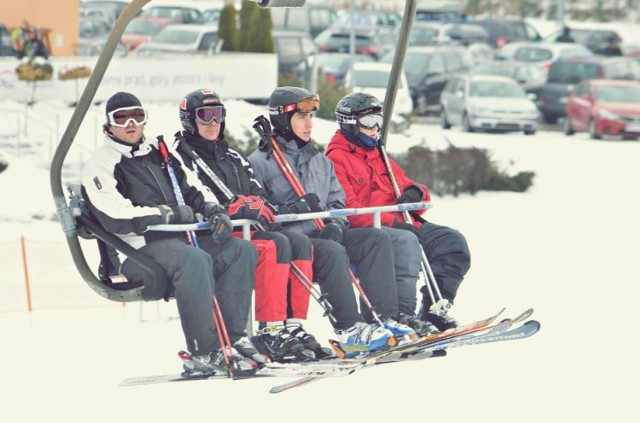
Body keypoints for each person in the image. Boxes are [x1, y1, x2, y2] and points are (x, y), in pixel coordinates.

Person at [81, 91, 263, 376]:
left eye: (137, 116)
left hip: (180, 239)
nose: (131, 123)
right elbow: (113, 214)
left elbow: (192, 189)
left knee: (240, 250)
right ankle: (204, 348)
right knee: (194, 260)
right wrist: (165, 214)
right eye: (121, 118)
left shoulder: (159, 152)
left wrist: (214, 210)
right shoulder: (102, 163)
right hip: (140, 251)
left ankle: (234, 336)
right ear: (108, 125)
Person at [249, 86, 435, 357]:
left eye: (312, 117)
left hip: (327, 232)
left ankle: (383, 318)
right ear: (282, 119)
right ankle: (350, 328)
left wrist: (337, 224)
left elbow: (338, 202)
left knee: (375, 238)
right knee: (333, 251)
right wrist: (292, 210)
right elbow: (261, 211)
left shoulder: (320, 162)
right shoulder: (260, 163)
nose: (309, 124)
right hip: (296, 240)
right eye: (302, 118)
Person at [172, 88, 321, 362]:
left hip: (245, 230)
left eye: (218, 115)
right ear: (189, 121)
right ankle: (270, 328)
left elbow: (259, 195)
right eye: (204, 116)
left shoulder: (233, 158)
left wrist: (265, 206)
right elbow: (201, 197)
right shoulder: (183, 158)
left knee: (299, 242)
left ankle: (292, 324)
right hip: (215, 235)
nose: (212, 123)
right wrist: (242, 206)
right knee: (275, 245)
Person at [325, 92, 471, 331]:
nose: (375, 129)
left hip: (403, 222)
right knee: (406, 240)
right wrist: (392, 222)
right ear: (350, 125)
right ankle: (403, 313)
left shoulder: (378, 154)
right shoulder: (336, 160)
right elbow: (350, 211)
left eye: (379, 122)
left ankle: (434, 308)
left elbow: (409, 186)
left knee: (452, 242)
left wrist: (416, 192)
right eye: (369, 123)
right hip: (375, 228)